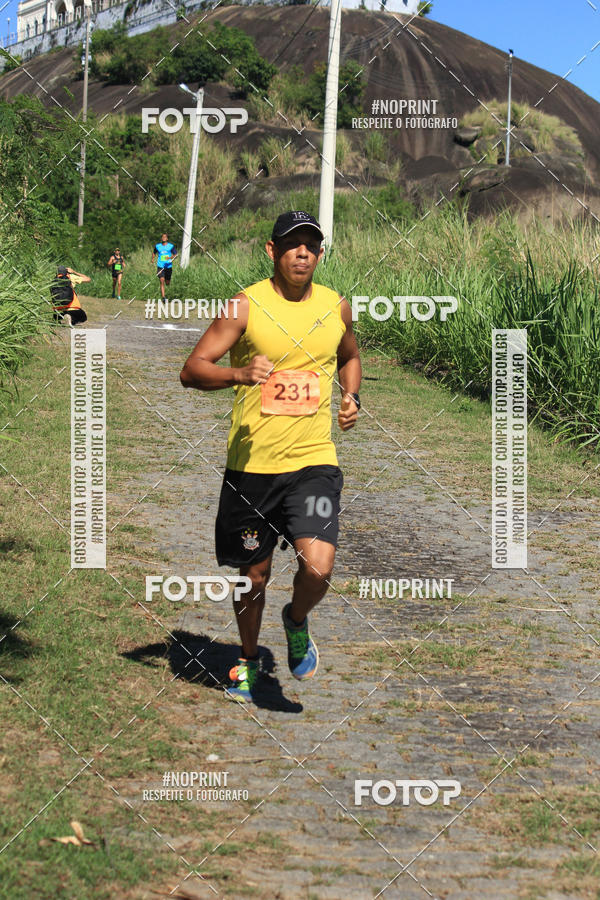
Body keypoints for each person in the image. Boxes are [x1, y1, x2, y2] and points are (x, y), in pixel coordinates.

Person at [180, 211, 362, 703]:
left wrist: (352, 397)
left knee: (318, 566)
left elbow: (350, 356)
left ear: (320, 254)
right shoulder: (245, 306)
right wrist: (239, 375)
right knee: (254, 574)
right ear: (272, 251)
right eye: (292, 245)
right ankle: (246, 657)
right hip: (253, 467)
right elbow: (192, 370)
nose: (302, 253)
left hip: (313, 461)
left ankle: (296, 619)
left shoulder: (336, 306)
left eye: (311, 246)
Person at [151, 233, 177, 300]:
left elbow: (175, 254)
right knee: (161, 280)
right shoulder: (158, 246)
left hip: (168, 266)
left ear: (167, 238)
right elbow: (154, 252)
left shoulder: (170, 246)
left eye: (165, 237)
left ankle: (169, 291)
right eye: (162, 237)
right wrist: (152, 259)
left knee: (167, 282)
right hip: (160, 266)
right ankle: (163, 297)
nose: (163, 238)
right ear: (161, 238)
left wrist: (170, 258)